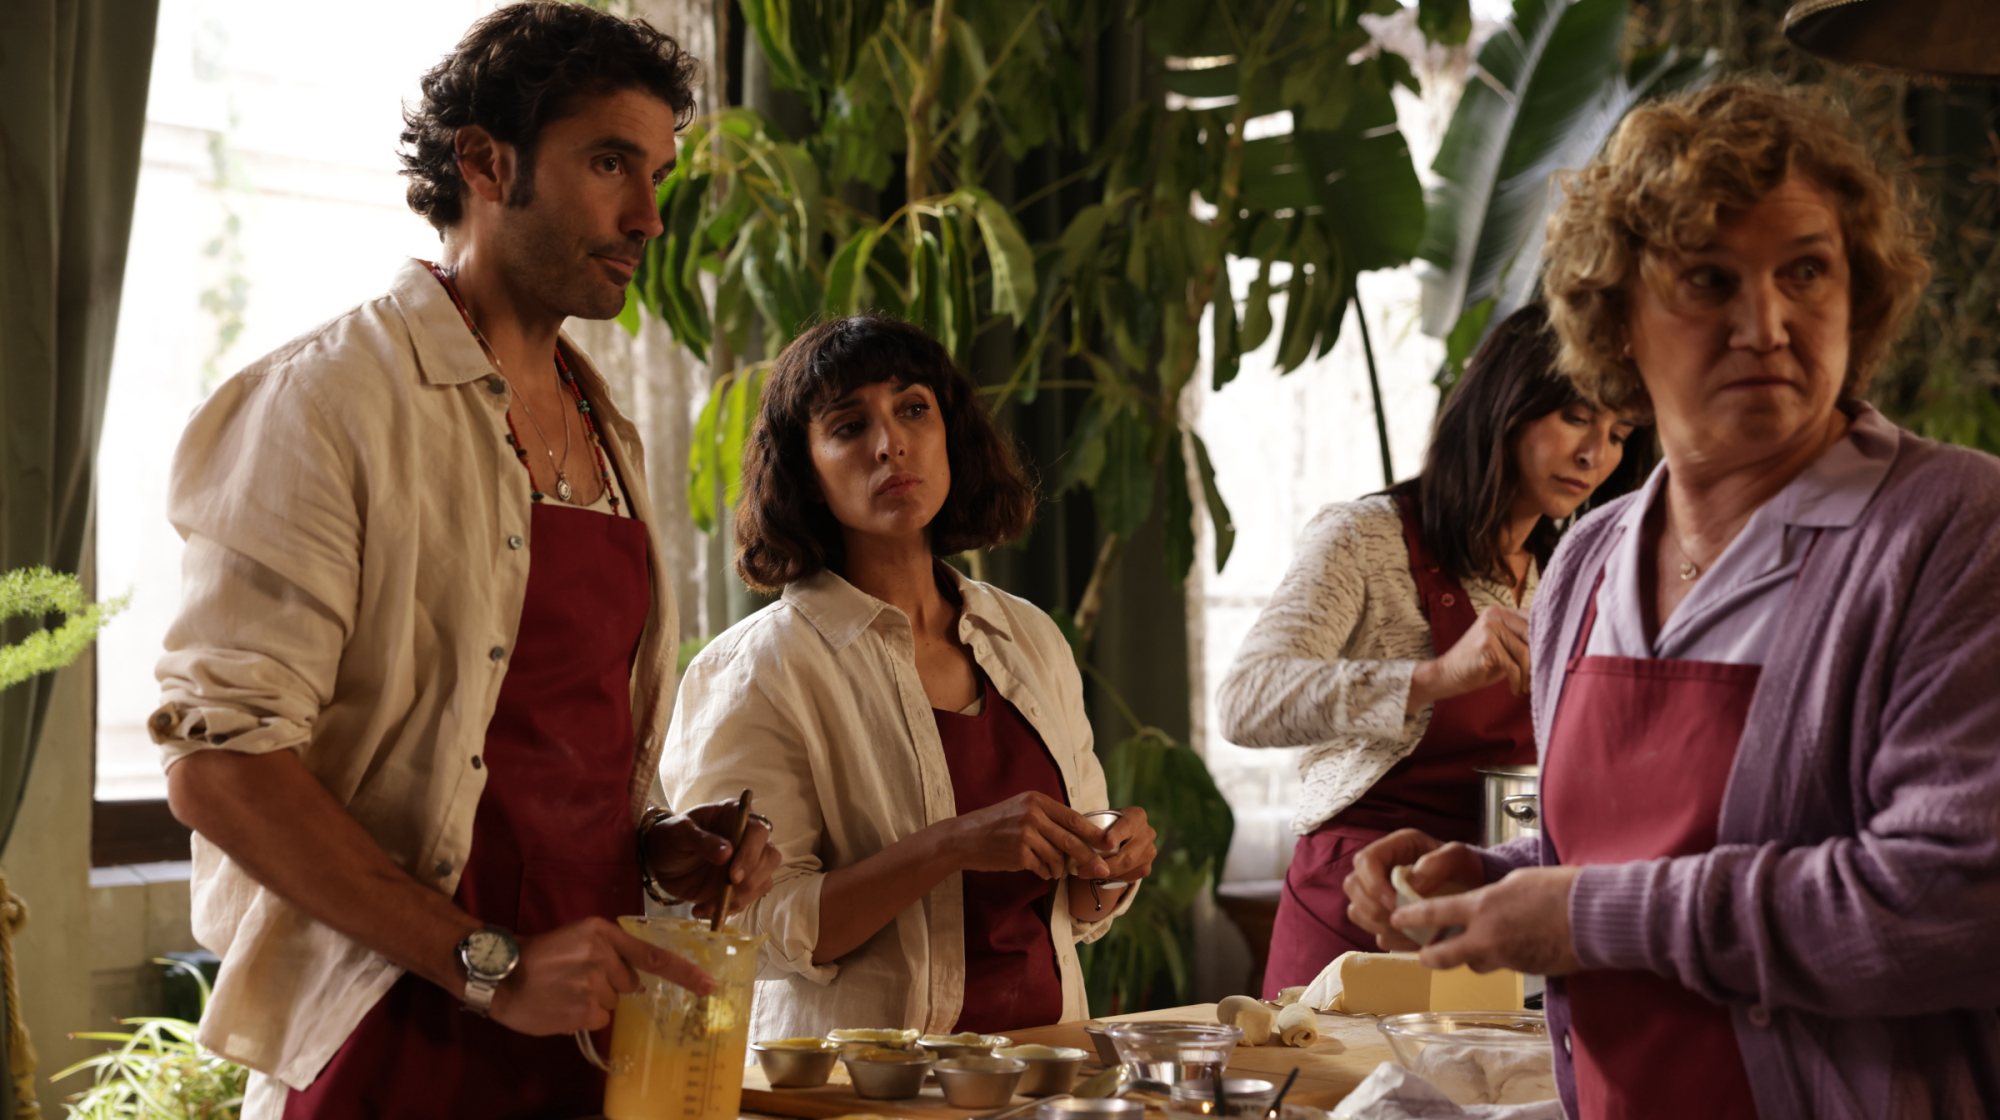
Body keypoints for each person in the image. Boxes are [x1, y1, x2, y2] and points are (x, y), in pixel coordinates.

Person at [151, 6, 778, 1118]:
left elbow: (537, 752)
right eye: (609, 164)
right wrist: (488, 964)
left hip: (586, 1038)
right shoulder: (327, 401)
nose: (648, 216)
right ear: (485, 163)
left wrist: (655, 844)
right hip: (389, 1036)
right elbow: (221, 765)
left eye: (657, 176)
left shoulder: (608, 428)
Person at [1346, 80, 2000, 1119]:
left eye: (1806, 271)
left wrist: (1580, 914)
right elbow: (1621, 863)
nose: (1766, 325)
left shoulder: (1951, 530)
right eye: (1707, 279)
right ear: (1617, 321)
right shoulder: (1590, 559)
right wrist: (1491, 879)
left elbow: (1953, 900)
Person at [660, 314, 1158, 1041]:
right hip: (854, 1086)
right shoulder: (757, 669)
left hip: (1048, 1065)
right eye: (848, 426)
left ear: (950, 433)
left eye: (913, 409)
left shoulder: (1029, 637)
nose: (890, 443)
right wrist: (950, 846)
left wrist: (1109, 863)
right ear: (806, 472)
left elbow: (1075, 913)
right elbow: (748, 929)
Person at [1215, 303, 1642, 996]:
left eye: (1618, 434)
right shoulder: (1365, 538)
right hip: (1356, 904)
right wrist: (1435, 676)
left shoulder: (1568, 573)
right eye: (1575, 419)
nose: (1597, 456)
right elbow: (1245, 702)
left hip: (1485, 906)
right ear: (1506, 408)